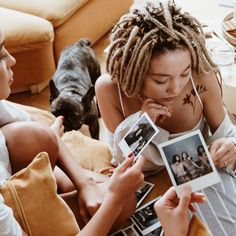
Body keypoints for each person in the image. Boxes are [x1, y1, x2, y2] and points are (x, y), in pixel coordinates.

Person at [95, 0, 236, 234]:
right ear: (135, 71)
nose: (176, 88)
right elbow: (121, 160)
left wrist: (230, 145)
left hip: (199, 176)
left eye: (184, 73)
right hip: (148, 187)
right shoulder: (109, 90)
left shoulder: (201, 75)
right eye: (161, 80)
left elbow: (228, 133)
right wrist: (142, 123)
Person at [0, 29, 145, 235]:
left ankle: (55, 187)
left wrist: (84, 183)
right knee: (124, 200)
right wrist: (114, 199)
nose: (12, 60)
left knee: (36, 135)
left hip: (11, 186)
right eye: (0, 55)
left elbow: (41, 133)